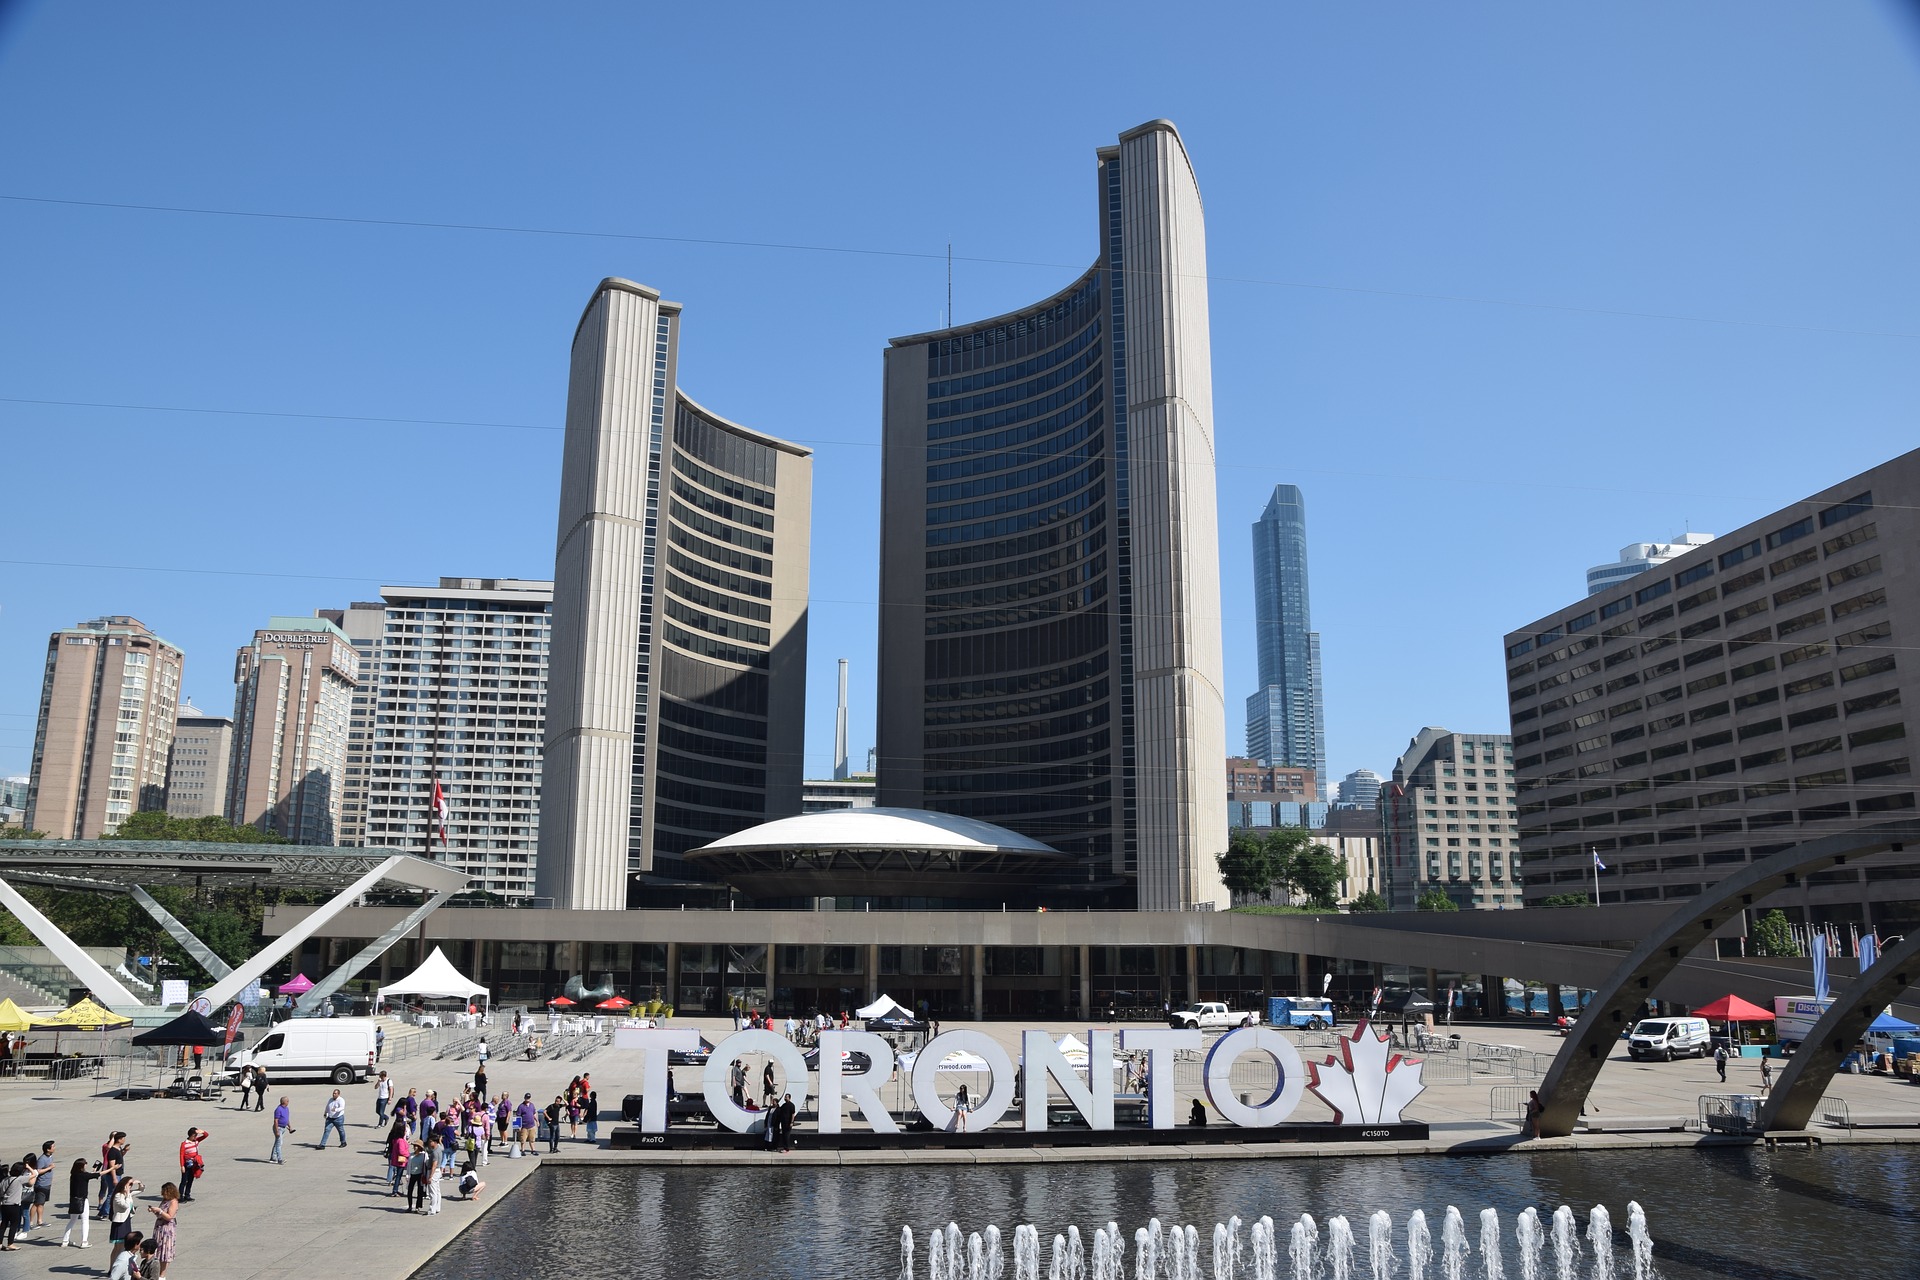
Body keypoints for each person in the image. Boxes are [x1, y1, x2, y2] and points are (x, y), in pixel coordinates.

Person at [61, 1157, 102, 1248]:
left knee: (72, 1220)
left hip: (73, 1200)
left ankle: (65, 1240)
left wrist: (93, 1170)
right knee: (85, 1220)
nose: (86, 1164)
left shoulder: (74, 1175)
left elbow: (89, 1175)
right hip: (83, 1200)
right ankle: (84, 1241)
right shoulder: (84, 1175)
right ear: (82, 1166)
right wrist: (112, 1169)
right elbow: (99, 1174)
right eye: (85, 1163)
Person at [146, 1182, 180, 1278]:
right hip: (159, 1228)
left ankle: (162, 1274)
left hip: (167, 1229)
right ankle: (157, 1272)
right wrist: (154, 1211)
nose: (162, 1193)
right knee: (158, 1250)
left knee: (165, 1252)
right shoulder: (165, 1200)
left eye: (164, 1191)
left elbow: (169, 1217)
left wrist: (159, 1211)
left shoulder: (173, 1201)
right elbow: (161, 1214)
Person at [99, 1132, 127, 1219]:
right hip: (112, 1176)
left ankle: (103, 1211)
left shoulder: (118, 1149)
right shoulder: (113, 1151)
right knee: (112, 1194)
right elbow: (112, 1165)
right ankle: (104, 1213)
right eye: (123, 1138)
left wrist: (125, 1150)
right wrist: (114, 1178)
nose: (124, 1140)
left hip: (118, 1174)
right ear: (119, 1140)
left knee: (113, 1193)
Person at [176, 1128, 207, 1202]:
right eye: (194, 1136)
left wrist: (202, 1132)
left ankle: (187, 1195)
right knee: (184, 1181)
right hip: (186, 1164)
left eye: (196, 1136)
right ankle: (180, 1196)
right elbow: (181, 1155)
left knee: (190, 1180)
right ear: (190, 1135)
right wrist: (182, 1166)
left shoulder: (196, 1141)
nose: (195, 1137)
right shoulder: (184, 1144)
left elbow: (206, 1135)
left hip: (194, 1164)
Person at [30, 1139, 55, 1229]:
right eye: (53, 1147)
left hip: (47, 1184)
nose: (54, 1148)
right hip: (41, 1184)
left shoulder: (50, 1157)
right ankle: (30, 1223)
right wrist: (49, 1168)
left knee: (41, 1203)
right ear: (48, 1149)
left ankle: (40, 1221)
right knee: (36, 1203)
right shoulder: (42, 1159)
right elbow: (38, 1171)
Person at [109, 1179, 141, 1245]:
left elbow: (140, 1190)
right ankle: (116, 1256)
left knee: (125, 1244)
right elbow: (126, 1205)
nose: (130, 1186)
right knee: (118, 1245)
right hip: (120, 1221)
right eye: (129, 1184)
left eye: (131, 1185)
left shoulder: (127, 1194)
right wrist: (128, 1194)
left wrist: (139, 1183)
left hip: (126, 1219)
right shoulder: (118, 1195)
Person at [385, 1123, 410, 1197]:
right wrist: (408, 1154)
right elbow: (401, 1151)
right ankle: (395, 1190)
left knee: (398, 1176)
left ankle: (395, 1190)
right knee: (399, 1176)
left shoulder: (396, 1139)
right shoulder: (401, 1141)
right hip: (401, 1161)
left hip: (396, 1159)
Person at [269, 1096, 293, 1164]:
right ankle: (280, 1159)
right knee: (279, 1144)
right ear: (284, 1102)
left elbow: (286, 1118)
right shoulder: (278, 1109)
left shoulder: (286, 1109)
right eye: (287, 1101)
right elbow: (276, 1121)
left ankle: (273, 1157)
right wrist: (277, 1131)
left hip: (283, 1127)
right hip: (278, 1128)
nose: (288, 1102)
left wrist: (290, 1127)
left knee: (277, 1143)